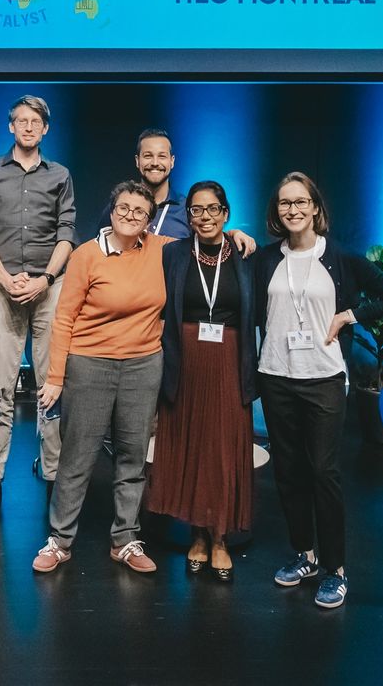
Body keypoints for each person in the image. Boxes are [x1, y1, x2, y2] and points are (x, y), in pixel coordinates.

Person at [254, 172, 383, 609]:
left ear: (316, 208)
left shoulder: (338, 257)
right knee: (287, 471)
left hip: (323, 378)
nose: (293, 210)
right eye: (285, 203)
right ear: (276, 211)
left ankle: (335, 569)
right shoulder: (265, 259)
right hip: (277, 376)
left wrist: (349, 316)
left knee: (322, 471)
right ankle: (304, 554)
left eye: (301, 202)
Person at [31, 181, 170, 576]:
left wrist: (236, 234)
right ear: (112, 211)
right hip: (89, 365)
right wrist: (55, 376)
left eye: (139, 211)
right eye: (123, 207)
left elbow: (206, 238)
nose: (130, 215)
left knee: (132, 457)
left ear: (148, 220)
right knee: (77, 458)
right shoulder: (87, 254)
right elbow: (64, 319)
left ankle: (125, 539)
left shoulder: (162, 249)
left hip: (143, 366)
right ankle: (59, 541)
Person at [146, 181, 258, 581]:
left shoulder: (245, 254)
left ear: (226, 213)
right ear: (187, 216)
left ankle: (221, 537)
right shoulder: (173, 253)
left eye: (213, 209)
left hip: (229, 361)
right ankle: (196, 535)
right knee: (193, 449)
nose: (205, 217)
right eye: (196, 210)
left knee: (222, 450)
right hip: (185, 362)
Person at [0, 94, 76, 513]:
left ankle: (53, 475)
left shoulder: (60, 174)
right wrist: (5, 278)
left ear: (46, 128)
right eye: (21, 121)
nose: (28, 127)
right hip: (2, 284)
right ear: (10, 127)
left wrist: (45, 279)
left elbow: (67, 232)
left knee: (52, 385)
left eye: (36, 121)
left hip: (49, 287)